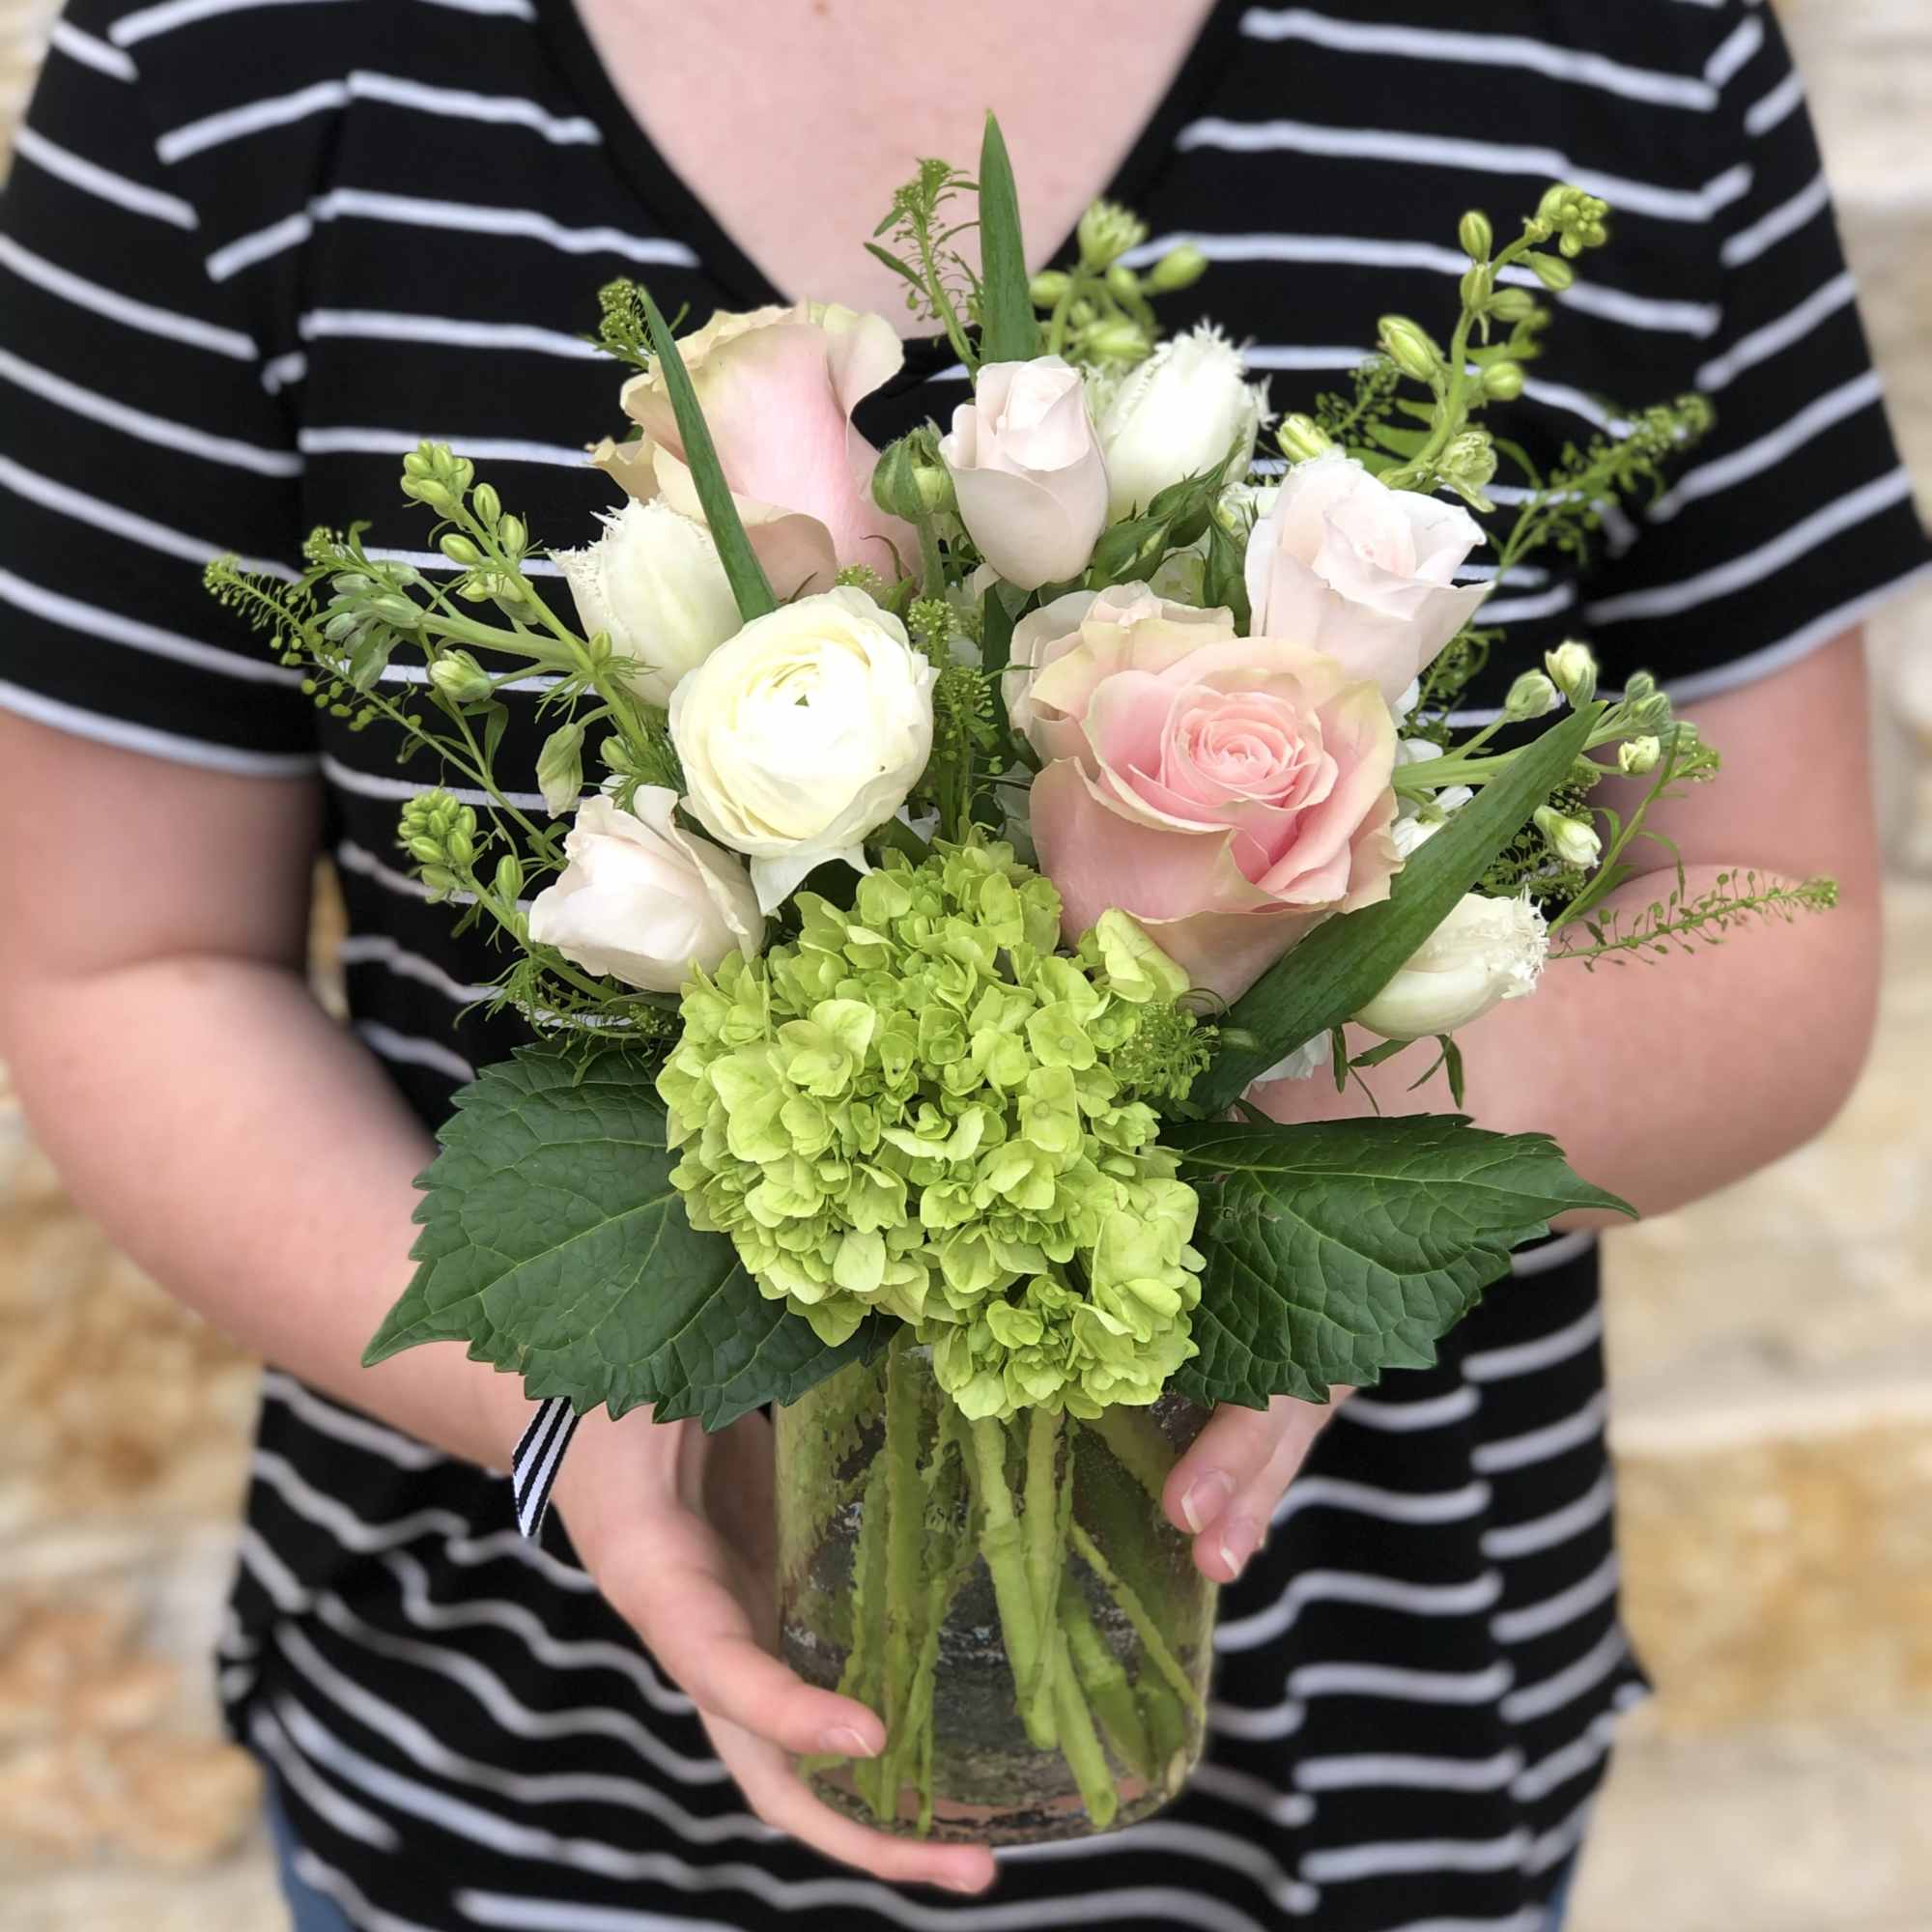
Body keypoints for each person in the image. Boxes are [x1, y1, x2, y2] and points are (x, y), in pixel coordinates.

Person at [0, 1, 1922, 1927]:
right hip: (518, 1800)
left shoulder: (1612, 55)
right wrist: (569, 1405)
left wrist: (1298, 1168)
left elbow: (1775, 919)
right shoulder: (237, 63)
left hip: (1373, 1774)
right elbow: (123, 965)